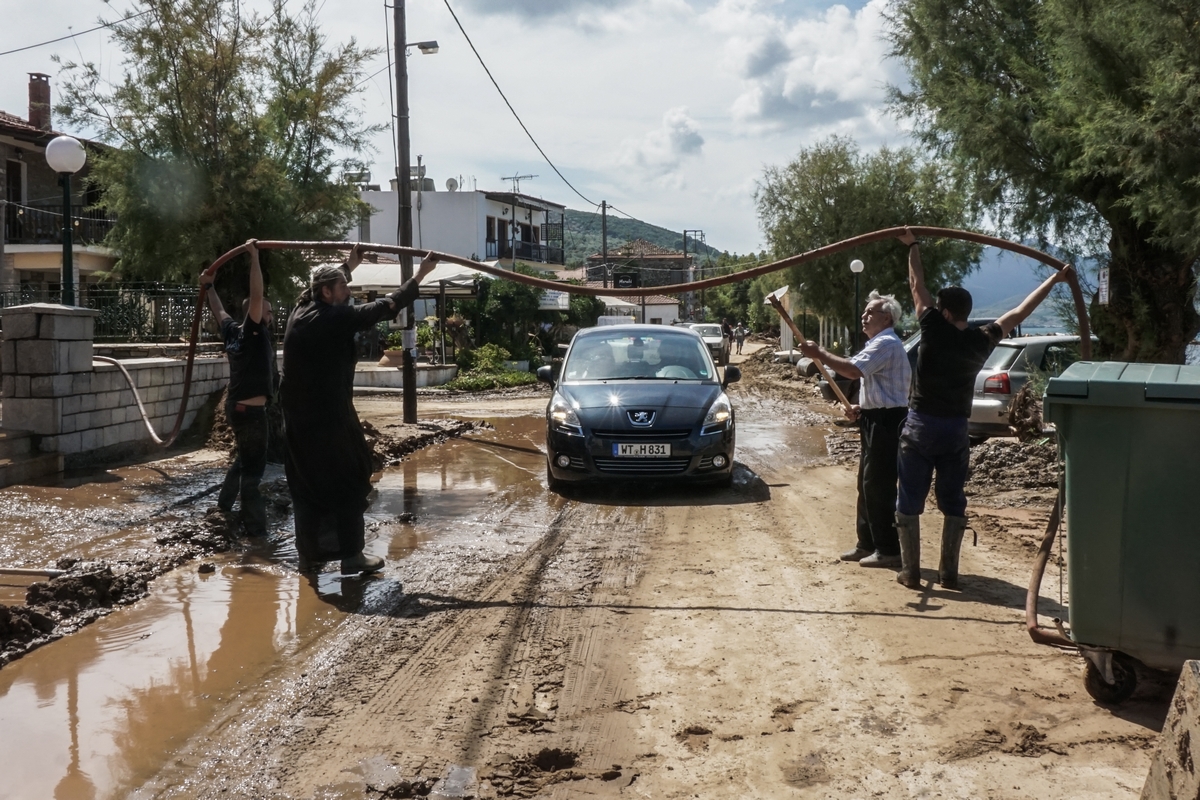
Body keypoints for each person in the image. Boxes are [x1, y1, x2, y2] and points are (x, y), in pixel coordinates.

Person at [895, 229, 1075, 589]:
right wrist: (1055, 279)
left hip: (921, 425)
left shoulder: (931, 327)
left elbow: (917, 286)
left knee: (910, 496)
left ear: (943, 312)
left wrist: (913, 246)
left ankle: (911, 572)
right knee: (952, 499)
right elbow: (1021, 310)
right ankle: (948, 572)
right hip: (956, 430)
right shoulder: (983, 340)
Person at [281, 248, 440, 575]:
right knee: (351, 478)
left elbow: (322, 282)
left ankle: (309, 557)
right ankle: (351, 555)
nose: (349, 292)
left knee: (307, 487)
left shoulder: (302, 308)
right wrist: (420, 275)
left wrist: (350, 263)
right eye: (343, 286)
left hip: (298, 421)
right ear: (327, 292)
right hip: (327, 419)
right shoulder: (332, 318)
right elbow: (384, 307)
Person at [797, 291, 911, 569]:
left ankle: (888, 548)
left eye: (870, 312)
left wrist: (819, 353)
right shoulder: (879, 343)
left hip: (888, 422)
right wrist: (862, 407)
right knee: (866, 483)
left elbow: (851, 370)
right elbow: (879, 386)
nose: (864, 315)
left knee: (878, 486)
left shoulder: (885, 342)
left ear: (887, 317)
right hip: (877, 417)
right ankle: (868, 543)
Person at [201, 240, 274, 537]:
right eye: (267, 311)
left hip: (236, 407)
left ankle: (224, 506)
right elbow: (256, 295)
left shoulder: (232, 331)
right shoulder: (254, 332)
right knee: (254, 472)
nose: (269, 315)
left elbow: (219, 310)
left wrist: (209, 287)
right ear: (255, 314)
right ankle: (257, 531)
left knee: (243, 459)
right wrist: (253, 258)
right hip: (252, 413)